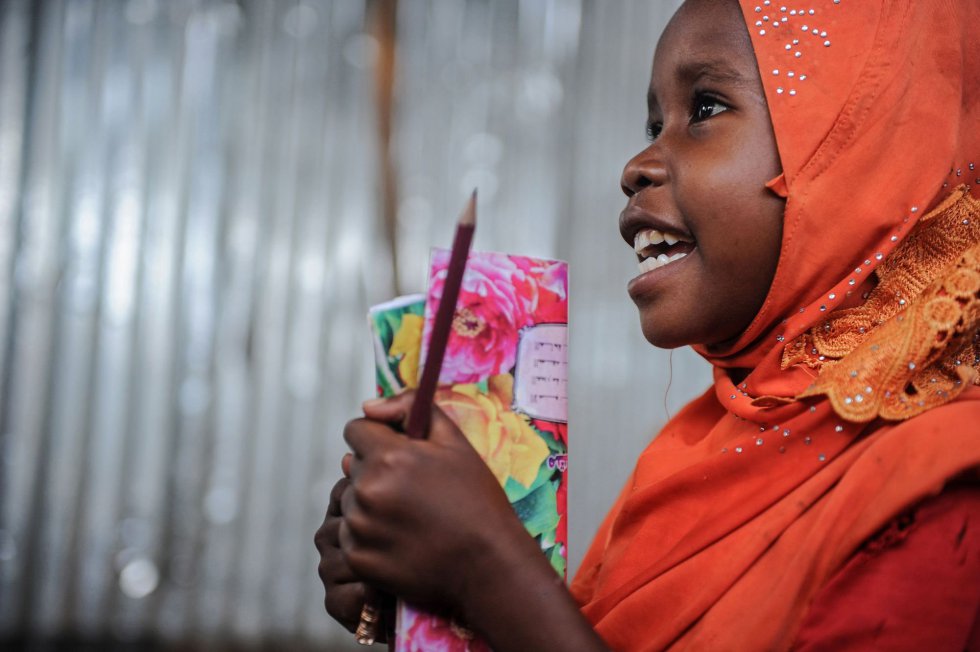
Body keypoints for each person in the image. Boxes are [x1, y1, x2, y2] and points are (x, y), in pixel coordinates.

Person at [314, 0, 980, 649]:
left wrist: (487, 572)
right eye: (653, 123)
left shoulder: (943, 489)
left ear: (858, 150)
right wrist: (426, 609)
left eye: (706, 108)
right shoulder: (699, 456)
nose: (636, 166)